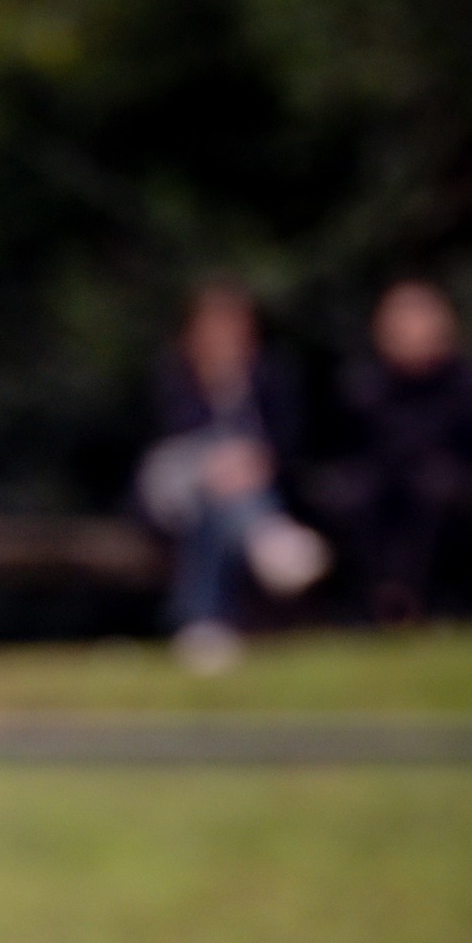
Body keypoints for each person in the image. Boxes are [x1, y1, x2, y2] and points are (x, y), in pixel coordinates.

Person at [136, 281, 329, 673]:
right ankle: (267, 537)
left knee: (219, 503)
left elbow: (286, 444)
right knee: (214, 480)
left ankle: (202, 625)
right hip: (173, 490)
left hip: (241, 492)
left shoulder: (271, 377)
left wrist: (254, 461)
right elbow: (168, 447)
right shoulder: (172, 377)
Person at [325, 279, 472, 624]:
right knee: (353, 500)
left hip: (454, 484)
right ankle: (374, 604)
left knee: (436, 494)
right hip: (385, 483)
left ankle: (423, 601)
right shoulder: (365, 385)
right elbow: (346, 449)